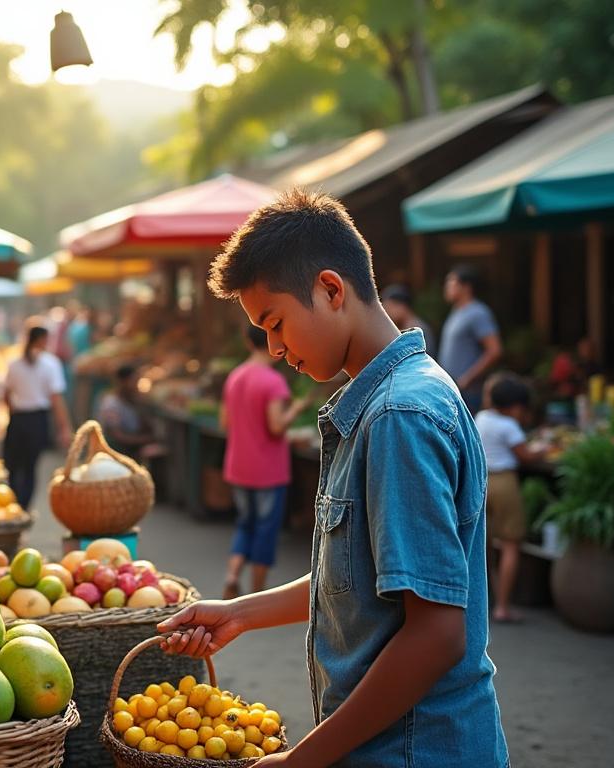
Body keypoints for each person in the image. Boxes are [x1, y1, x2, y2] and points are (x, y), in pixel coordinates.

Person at [159, 189, 508, 767]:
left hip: (417, 751)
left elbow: (436, 636)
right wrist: (240, 613)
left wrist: (302, 761)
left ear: (330, 289)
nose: (273, 348)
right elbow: (361, 579)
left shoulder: (400, 415)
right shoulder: (389, 401)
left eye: (275, 323)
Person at [219, 324, 309, 599]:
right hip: (268, 470)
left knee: (245, 524)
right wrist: (295, 408)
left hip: (238, 466)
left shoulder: (234, 377)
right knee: (266, 529)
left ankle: (232, 575)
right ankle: (257, 594)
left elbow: (225, 423)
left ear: (247, 341)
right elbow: (276, 426)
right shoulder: (273, 381)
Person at [476, 373, 546, 624]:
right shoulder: (509, 426)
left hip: (481, 482)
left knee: (486, 546)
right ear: (516, 406)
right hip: (504, 483)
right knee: (511, 544)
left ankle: (486, 601)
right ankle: (503, 607)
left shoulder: (481, 418)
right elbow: (525, 455)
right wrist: (543, 450)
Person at [3, 323, 71, 511]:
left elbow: (6, 395)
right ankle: (23, 507)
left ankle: (13, 504)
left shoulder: (14, 363)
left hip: (18, 419)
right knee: (30, 467)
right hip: (37, 420)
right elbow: (56, 399)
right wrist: (64, 427)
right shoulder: (50, 364)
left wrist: (13, 411)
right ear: (43, 340)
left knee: (13, 466)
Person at [439, 265, 502, 411]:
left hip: (468, 391)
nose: (447, 287)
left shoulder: (478, 312)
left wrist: (467, 379)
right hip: (452, 388)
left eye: (451, 283)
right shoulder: (456, 312)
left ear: (466, 287)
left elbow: (494, 350)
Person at [96, 364, 158, 458]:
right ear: (122, 382)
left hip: (131, 446)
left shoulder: (132, 400)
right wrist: (146, 439)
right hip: (117, 451)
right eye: (133, 381)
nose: (136, 386)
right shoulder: (111, 404)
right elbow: (118, 437)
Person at [379, 284, 433, 352]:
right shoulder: (404, 326)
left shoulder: (418, 330)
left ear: (402, 306)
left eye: (389, 307)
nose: (387, 313)